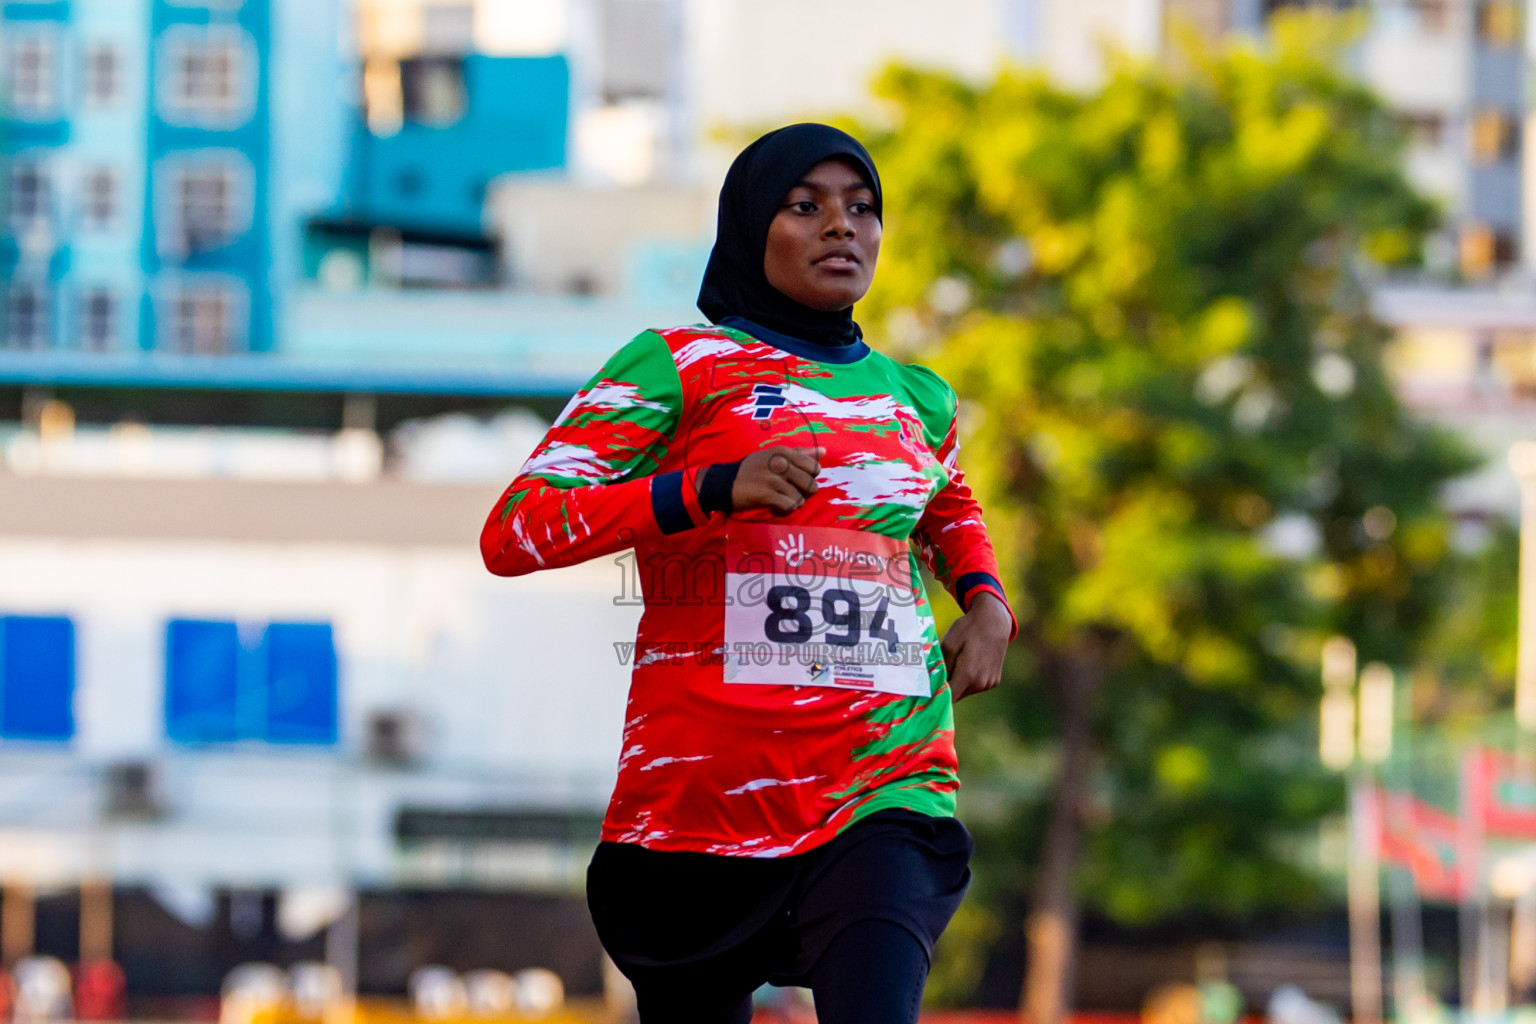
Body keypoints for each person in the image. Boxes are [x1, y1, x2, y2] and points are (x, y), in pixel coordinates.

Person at [481, 123, 1016, 1024]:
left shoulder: (917, 397)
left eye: (861, 208)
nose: (841, 227)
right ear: (746, 229)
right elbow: (519, 529)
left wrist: (986, 599)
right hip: (701, 804)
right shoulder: (680, 368)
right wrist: (710, 487)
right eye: (805, 206)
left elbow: (948, 507)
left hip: (882, 782)